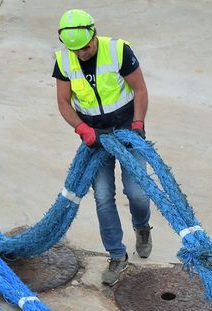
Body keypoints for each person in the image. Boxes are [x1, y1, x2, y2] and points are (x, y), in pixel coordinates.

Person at [53, 9, 153, 286]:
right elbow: (63, 101)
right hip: (95, 138)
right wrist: (82, 128)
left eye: (85, 46)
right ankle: (117, 255)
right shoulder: (64, 60)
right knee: (103, 196)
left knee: (137, 191)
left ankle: (142, 228)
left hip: (126, 130)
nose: (82, 52)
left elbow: (140, 90)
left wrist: (138, 123)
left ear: (94, 34)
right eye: (76, 49)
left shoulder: (118, 50)